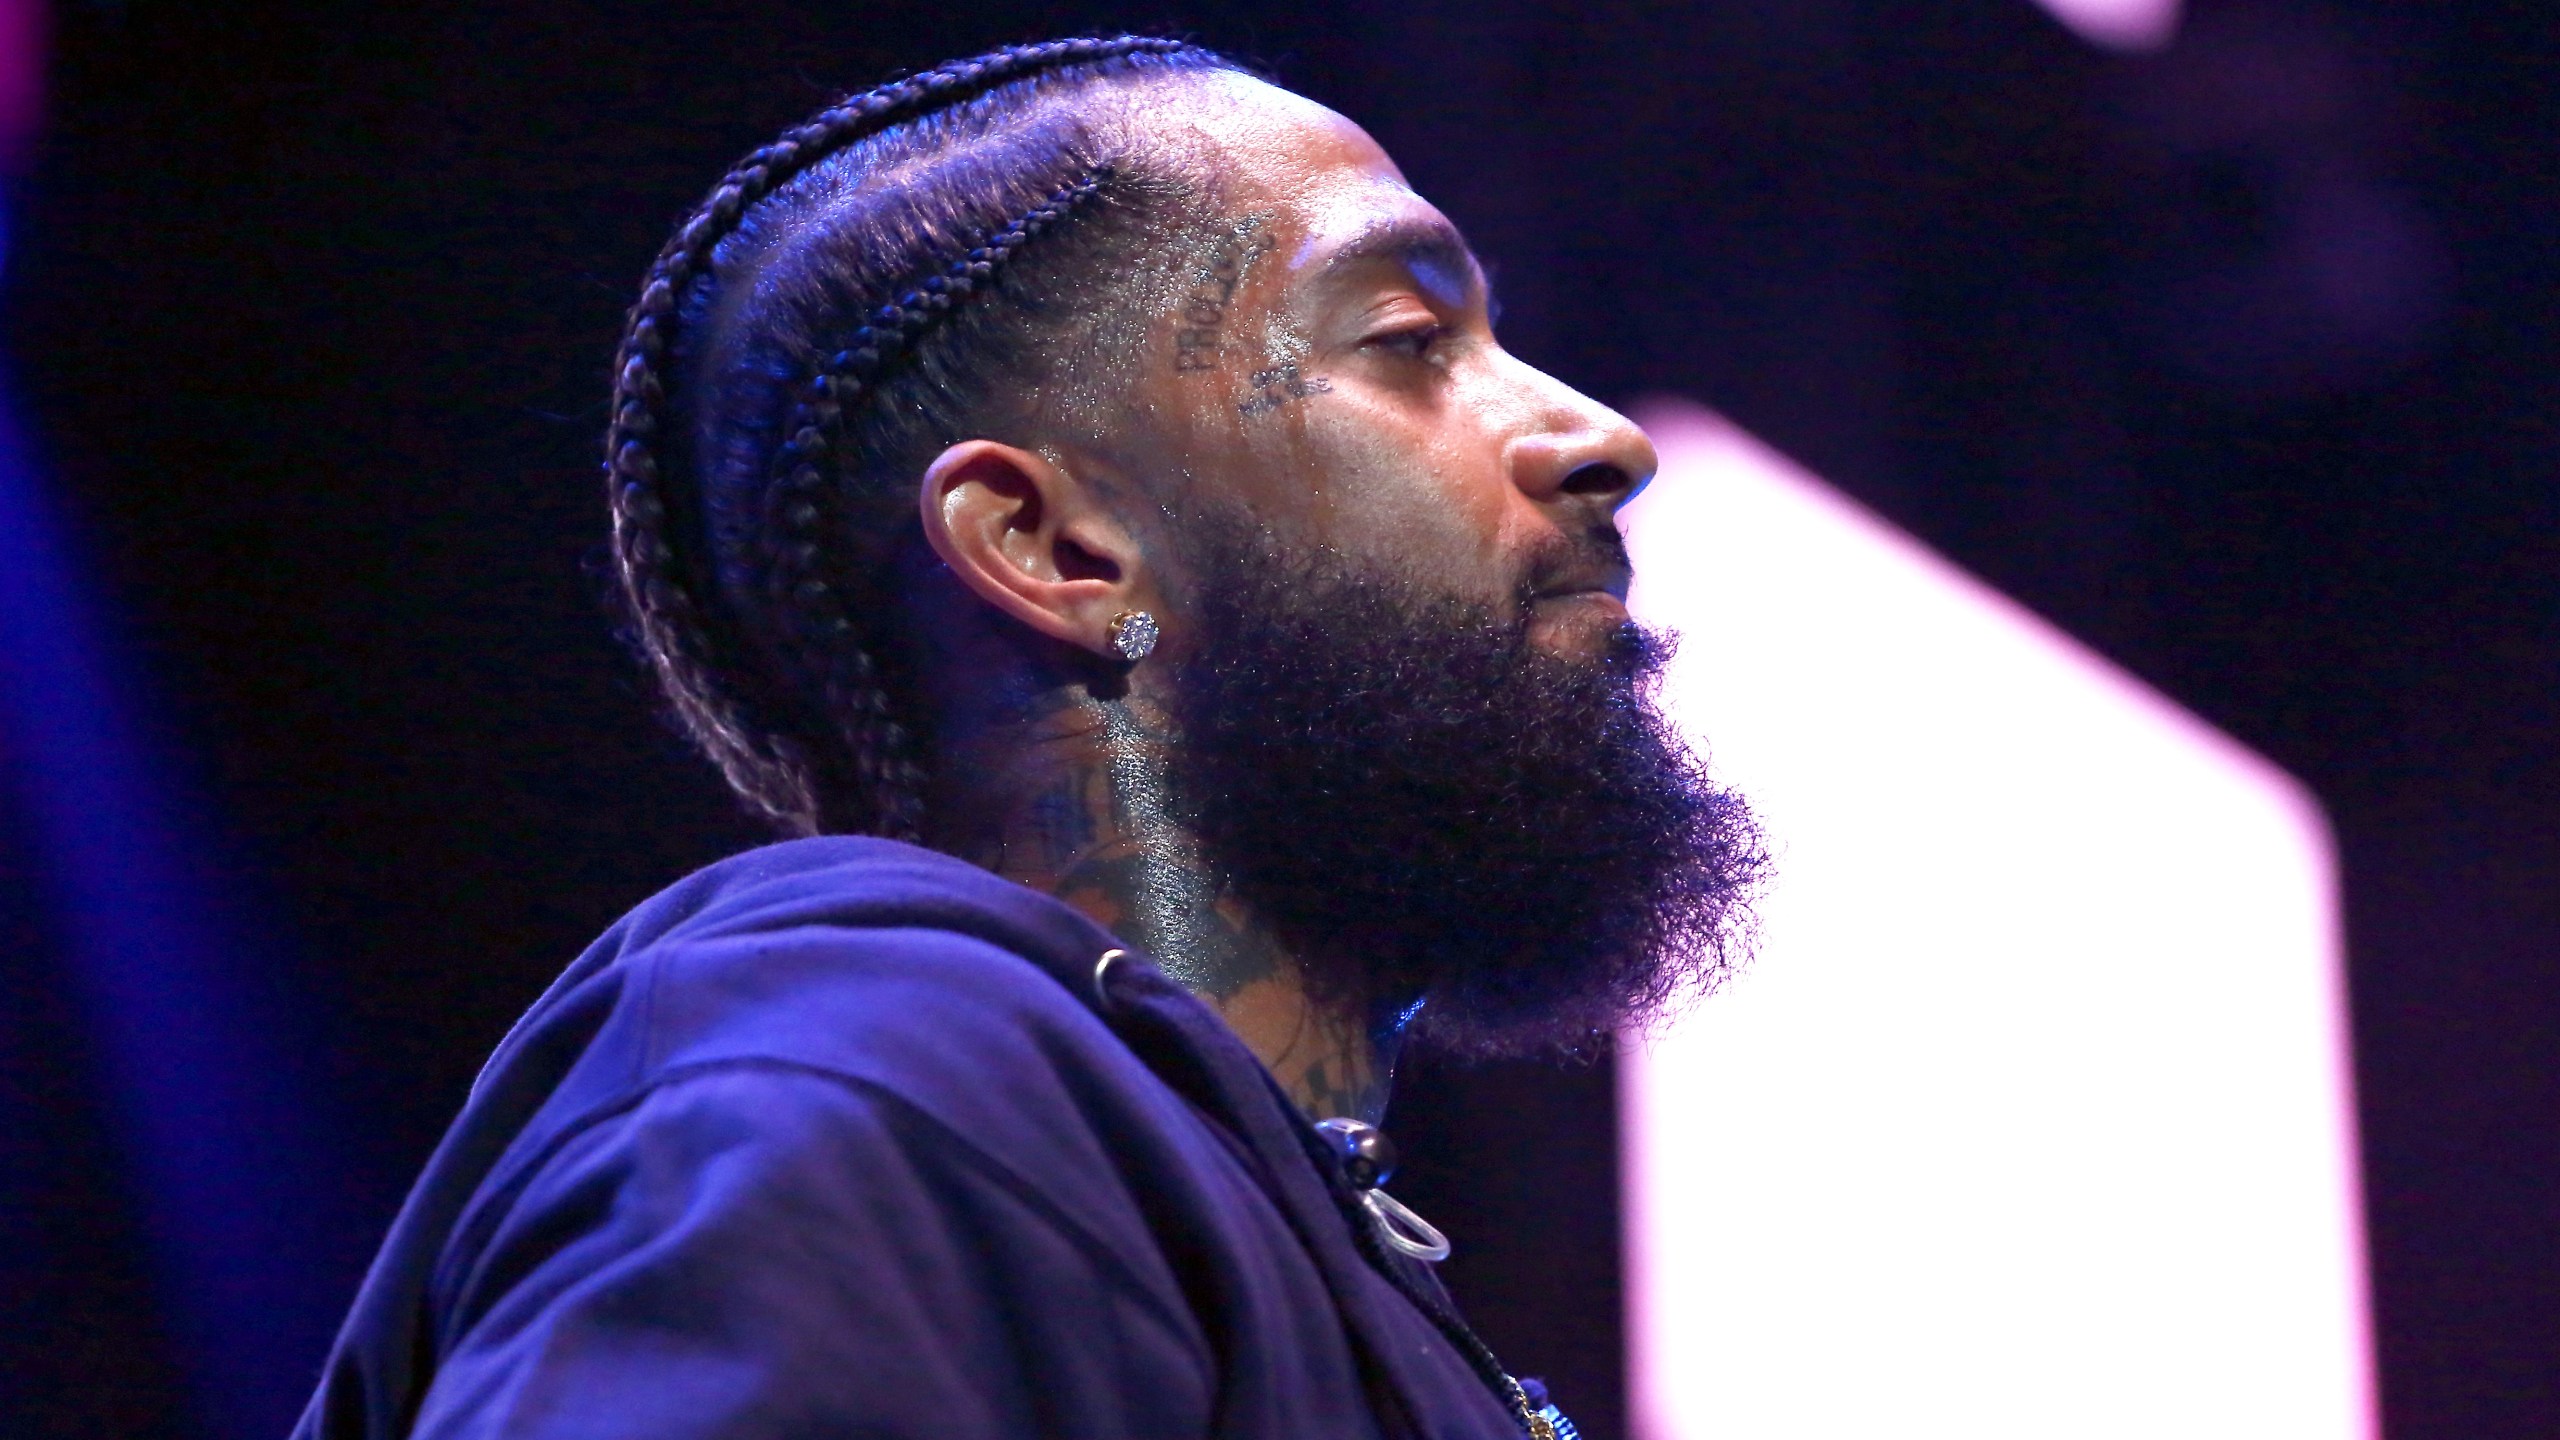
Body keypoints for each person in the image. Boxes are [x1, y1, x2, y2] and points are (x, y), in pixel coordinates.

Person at [296, 35, 1762, 1440]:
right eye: (1408, 341)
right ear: (1057, 547)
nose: (1597, 438)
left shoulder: (1199, 1195)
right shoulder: (883, 1069)